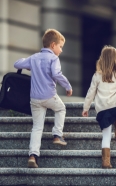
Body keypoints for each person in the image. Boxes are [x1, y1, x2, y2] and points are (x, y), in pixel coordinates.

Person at [14, 29, 72, 168]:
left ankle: (33, 156)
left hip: (35, 99)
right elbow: (56, 74)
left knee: (37, 127)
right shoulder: (54, 58)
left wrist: (29, 65)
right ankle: (57, 135)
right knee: (61, 109)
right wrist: (68, 86)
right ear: (53, 45)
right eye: (60, 47)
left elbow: (17, 64)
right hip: (49, 96)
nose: (61, 50)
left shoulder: (34, 58)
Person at [82, 45, 116, 168]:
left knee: (106, 136)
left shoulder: (97, 76)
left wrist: (86, 108)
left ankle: (106, 162)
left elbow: (90, 93)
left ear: (102, 60)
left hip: (102, 111)